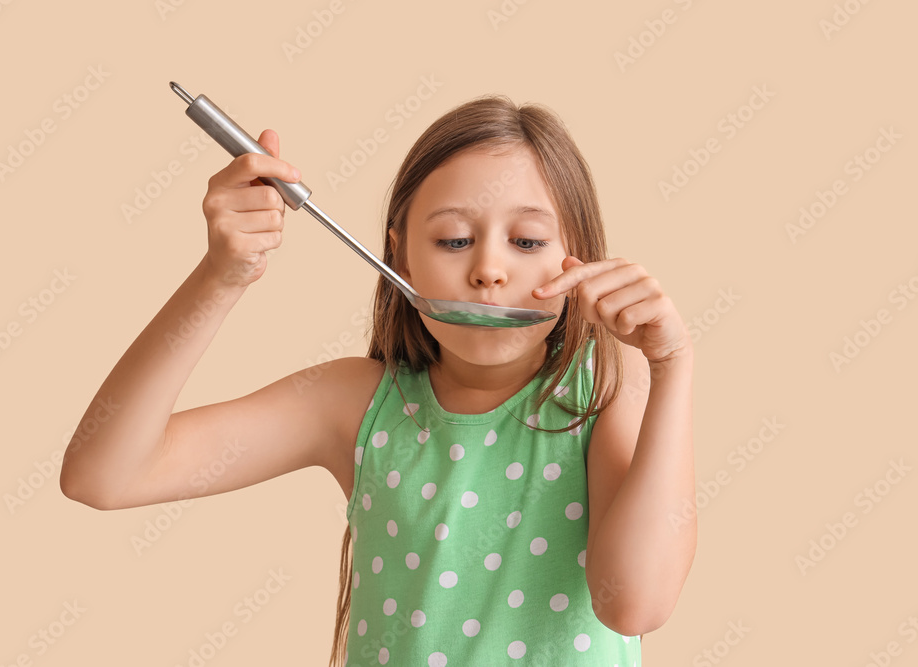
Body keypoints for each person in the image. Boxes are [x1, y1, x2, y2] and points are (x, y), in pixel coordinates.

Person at [60, 94, 696, 666]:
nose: (489, 270)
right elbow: (103, 475)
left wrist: (672, 367)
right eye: (452, 240)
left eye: (527, 242)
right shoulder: (355, 404)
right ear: (399, 256)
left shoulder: (611, 387)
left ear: (578, 257)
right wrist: (223, 275)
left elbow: (634, 607)